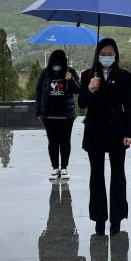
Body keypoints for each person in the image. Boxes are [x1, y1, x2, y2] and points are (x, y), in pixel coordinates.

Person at [78, 38, 131, 236]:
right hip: (94, 131)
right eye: (103, 54)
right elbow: (82, 103)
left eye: (111, 54)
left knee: (118, 175)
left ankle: (116, 218)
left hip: (117, 131)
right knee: (96, 176)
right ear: (98, 55)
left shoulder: (124, 76)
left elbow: (128, 107)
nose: (107, 57)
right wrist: (90, 89)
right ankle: (99, 219)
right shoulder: (87, 75)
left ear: (116, 55)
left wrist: (129, 132)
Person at [36, 50, 81, 180]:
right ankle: (55, 168)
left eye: (59, 61)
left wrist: (71, 79)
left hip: (66, 116)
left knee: (65, 142)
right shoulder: (45, 73)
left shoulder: (70, 72)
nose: (57, 64)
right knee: (52, 142)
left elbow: (79, 90)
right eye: (54, 61)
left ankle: (64, 167)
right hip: (49, 116)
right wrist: (38, 112)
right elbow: (38, 93)